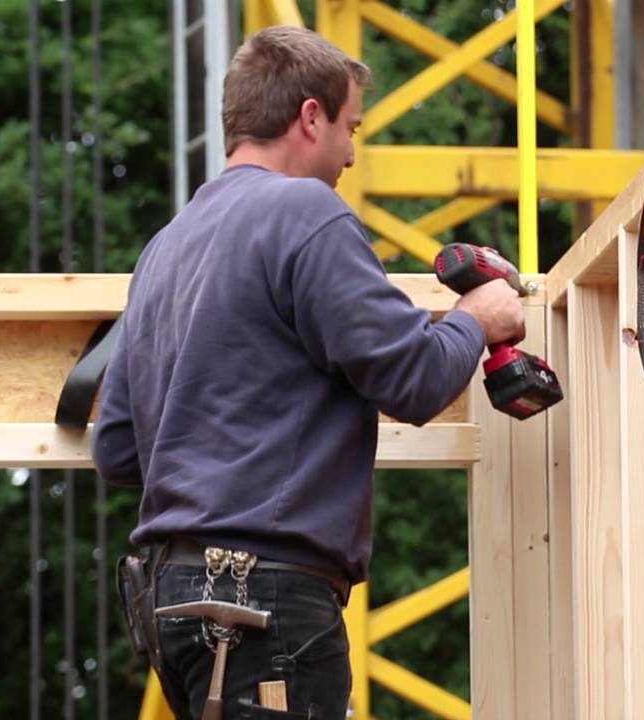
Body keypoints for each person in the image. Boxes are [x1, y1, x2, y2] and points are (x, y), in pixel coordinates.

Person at [93, 24, 525, 720]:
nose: (352, 155)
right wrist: (479, 318)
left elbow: (116, 450)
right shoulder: (305, 213)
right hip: (262, 605)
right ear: (310, 116)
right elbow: (413, 380)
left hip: (170, 600)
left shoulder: (166, 247)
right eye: (351, 128)